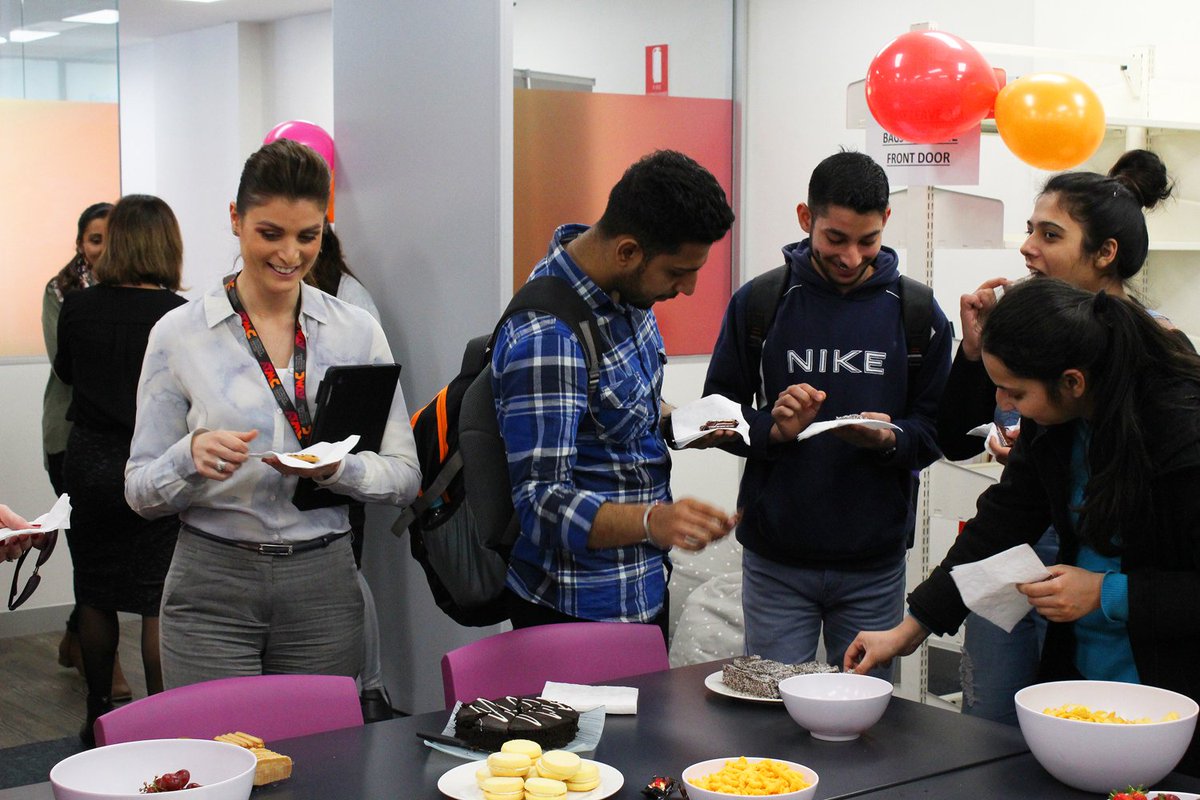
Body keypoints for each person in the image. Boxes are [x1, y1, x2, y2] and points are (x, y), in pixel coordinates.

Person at [846, 278, 1200, 776]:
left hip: (1172, 697)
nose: (1004, 404)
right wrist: (909, 629)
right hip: (1080, 680)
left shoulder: (1182, 431)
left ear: (1073, 382)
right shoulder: (1057, 421)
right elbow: (1000, 523)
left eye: (1016, 391)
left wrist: (1107, 593)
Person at [125, 139, 421, 689]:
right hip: (212, 581)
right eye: (270, 234)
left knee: (321, 762)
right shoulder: (180, 334)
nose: (290, 254)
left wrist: (337, 470)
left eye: (308, 236)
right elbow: (140, 491)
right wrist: (188, 456)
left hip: (324, 580)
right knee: (218, 761)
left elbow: (405, 476)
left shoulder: (355, 330)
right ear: (236, 219)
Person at [935, 149, 1176, 724]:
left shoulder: (1161, 369)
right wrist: (973, 355)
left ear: (1104, 254)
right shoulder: (1024, 330)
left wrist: (1111, 592)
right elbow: (964, 451)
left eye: (1050, 234)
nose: (1026, 248)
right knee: (997, 714)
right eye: (1029, 230)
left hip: (1107, 583)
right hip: (1024, 554)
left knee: (1078, 715)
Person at [701, 150, 952, 677]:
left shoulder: (919, 314)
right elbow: (716, 417)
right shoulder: (761, 302)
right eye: (835, 239)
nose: (852, 256)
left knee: (864, 720)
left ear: (887, 221)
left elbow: (935, 433)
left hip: (874, 564)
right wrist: (775, 427)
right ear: (805, 218)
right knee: (769, 712)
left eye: (868, 240)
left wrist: (888, 439)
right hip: (777, 561)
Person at [494, 149, 739, 643]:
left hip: (643, 586)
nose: (688, 288)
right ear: (628, 251)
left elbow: (622, 412)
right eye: (677, 273)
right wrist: (654, 521)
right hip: (576, 609)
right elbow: (541, 503)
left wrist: (686, 422)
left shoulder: (625, 293)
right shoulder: (548, 337)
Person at [54, 195, 188, 744]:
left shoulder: (77, 307)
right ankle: (164, 720)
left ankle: (97, 713)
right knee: (157, 597)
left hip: (88, 461)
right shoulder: (178, 314)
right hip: (154, 462)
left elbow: (66, 371)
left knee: (95, 590)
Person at [40, 202, 130, 695]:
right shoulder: (62, 293)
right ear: (81, 244)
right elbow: (65, 363)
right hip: (70, 437)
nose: (101, 249)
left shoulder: (134, 291)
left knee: (107, 552)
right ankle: (104, 665)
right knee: (90, 552)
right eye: (94, 239)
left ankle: (76, 636)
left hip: (119, 440)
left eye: (110, 239)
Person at [303, 221, 391, 723]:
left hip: (340, 462)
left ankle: (370, 687)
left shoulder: (352, 303)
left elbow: (369, 394)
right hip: (303, 464)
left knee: (346, 572)